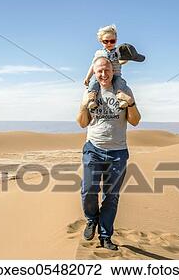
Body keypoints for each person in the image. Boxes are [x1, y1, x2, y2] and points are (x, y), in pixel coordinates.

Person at [76, 56, 141, 250]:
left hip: (118, 151)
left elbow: (135, 121)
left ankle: (105, 236)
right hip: (93, 149)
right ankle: (91, 220)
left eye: (106, 70)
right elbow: (82, 123)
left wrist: (130, 104)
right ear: (94, 73)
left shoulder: (124, 90)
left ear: (113, 70)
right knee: (88, 191)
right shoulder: (90, 92)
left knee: (111, 196)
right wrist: (83, 105)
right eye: (99, 71)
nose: (103, 74)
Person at [83, 24, 129, 109]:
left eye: (112, 41)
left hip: (115, 75)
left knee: (119, 83)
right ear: (101, 41)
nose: (109, 43)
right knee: (93, 83)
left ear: (116, 40)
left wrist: (127, 58)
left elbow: (121, 61)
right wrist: (87, 77)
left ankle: (121, 100)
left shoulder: (118, 52)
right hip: (100, 76)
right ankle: (91, 101)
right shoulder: (99, 53)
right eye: (106, 41)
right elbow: (93, 65)